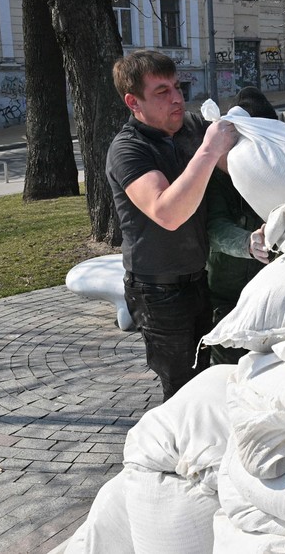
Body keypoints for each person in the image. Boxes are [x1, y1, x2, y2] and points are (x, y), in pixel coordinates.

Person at [106, 50, 238, 401]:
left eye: (177, 87)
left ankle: (203, 444)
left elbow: (239, 164)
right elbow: (168, 212)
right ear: (134, 102)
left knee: (206, 376)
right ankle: (177, 451)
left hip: (198, 278)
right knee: (182, 388)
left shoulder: (192, 127)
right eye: (162, 92)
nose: (178, 98)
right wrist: (208, 152)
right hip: (157, 291)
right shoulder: (128, 149)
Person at [205, 86, 276, 365]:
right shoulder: (215, 175)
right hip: (225, 299)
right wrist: (248, 242)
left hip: (269, 299)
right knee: (228, 374)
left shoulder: (278, 167)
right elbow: (215, 227)